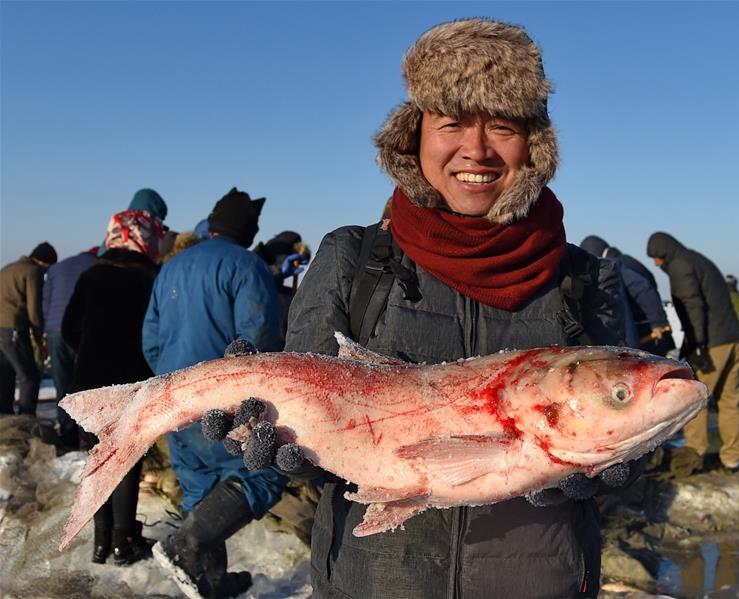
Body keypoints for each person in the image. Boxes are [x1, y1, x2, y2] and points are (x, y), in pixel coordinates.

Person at [204, 19, 641, 599]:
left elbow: (628, 427)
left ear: (533, 144)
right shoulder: (353, 259)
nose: (476, 150)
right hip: (374, 581)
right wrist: (271, 431)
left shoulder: (582, 279)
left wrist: (611, 468)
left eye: (503, 127)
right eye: (452, 123)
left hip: (540, 581)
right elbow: (312, 441)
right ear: (414, 136)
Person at [145, 187, 286, 598]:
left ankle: (208, 580)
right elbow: (257, 337)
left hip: (174, 396)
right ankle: (186, 546)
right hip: (223, 401)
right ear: (247, 230)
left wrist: (171, 379)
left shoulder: (171, 267)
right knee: (263, 477)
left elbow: (150, 338)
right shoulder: (247, 265)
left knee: (198, 485)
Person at [62, 211, 162, 565]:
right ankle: (124, 541)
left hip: (86, 384)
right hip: (129, 382)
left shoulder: (91, 275)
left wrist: (89, 352)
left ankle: (100, 542)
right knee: (125, 463)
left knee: (96, 462)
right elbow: (156, 333)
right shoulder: (152, 277)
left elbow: (68, 330)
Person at [646, 232, 739, 475]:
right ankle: (732, 459)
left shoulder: (681, 266)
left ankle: (695, 454)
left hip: (712, 343)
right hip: (733, 339)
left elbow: (693, 306)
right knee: (729, 401)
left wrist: (698, 344)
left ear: (664, 253)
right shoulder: (697, 259)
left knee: (695, 397)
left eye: (656, 258)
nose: (656, 264)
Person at [581, 235, 675, 356]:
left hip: (646, 333)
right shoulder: (628, 260)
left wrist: (658, 322)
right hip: (648, 330)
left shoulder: (614, 266)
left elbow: (643, 289)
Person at [42, 247, 97, 448]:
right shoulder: (95, 266)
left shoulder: (56, 269)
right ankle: (87, 436)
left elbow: (45, 303)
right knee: (84, 385)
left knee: (62, 386)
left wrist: (45, 331)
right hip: (80, 330)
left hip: (55, 330)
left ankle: (67, 438)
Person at [0, 242, 57, 415]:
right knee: (30, 377)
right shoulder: (34, 271)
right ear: (44, 263)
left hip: (2, 329)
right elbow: (34, 309)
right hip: (14, 329)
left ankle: (5, 421)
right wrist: (40, 339)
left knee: (6, 377)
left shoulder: (8, 268)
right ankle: (26, 421)